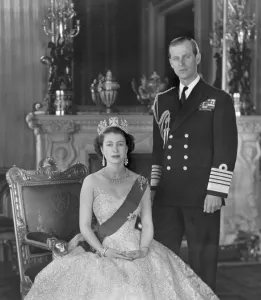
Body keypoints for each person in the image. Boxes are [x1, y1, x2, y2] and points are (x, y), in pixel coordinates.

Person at [25, 116, 219, 300]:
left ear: (127, 148)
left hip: (135, 247)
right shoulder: (91, 182)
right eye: (109, 144)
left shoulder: (140, 182)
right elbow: (84, 226)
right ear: (101, 149)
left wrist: (143, 250)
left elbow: (148, 224)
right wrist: (102, 251)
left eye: (120, 144)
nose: (115, 149)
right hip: (101, 249)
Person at [151, 37, 238, 291]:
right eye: (176, 58)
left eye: (187, 56)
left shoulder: (217, 99)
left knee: (203, 261)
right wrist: (154, 188)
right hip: (168, 194)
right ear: (170, 62)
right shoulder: (162, 100)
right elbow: (159, 149)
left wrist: (217, 191)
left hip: (202, 194)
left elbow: (226, 149)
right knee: (164, 259)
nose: (182, 63)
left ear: (197, 57)